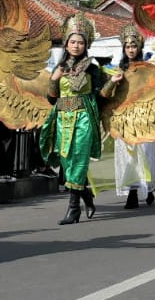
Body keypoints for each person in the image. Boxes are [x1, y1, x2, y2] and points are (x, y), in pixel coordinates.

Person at [39, 13, 109, 225]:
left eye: (80, 42)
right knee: (67, 162)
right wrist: (54, 79)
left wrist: (112, 82)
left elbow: (100, 97)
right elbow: (52, 99)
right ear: (66, 43)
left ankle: (73, 209)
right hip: (61, 118)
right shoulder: (59, 68)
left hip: (84, 118)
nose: (76, 45)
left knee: (78, 159)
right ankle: (86, 195)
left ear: (86, 45)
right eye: (73, 42)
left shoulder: (93, 69)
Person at [109, 24, 155, 208]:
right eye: (127, 46)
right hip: (124, 118)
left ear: (139, 48)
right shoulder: (118, 69)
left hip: (144, 117)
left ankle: (149, 187)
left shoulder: (148, 68)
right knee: (127, 156)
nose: (130, 49)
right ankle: (133, 192)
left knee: (145, 154)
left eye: (133, 46)